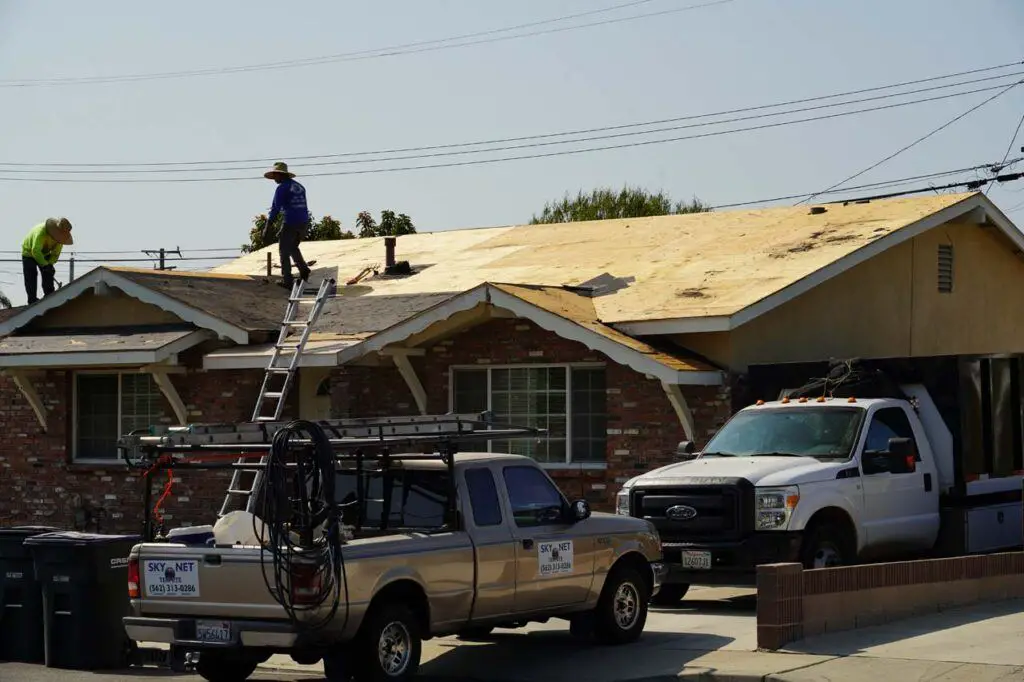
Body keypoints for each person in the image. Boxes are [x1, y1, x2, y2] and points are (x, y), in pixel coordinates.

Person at [263, 161, 312, 289]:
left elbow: (275, 208)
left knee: (283, 251)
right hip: (304, 222)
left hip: (291, 221)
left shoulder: (282, 188)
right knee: (292, 247)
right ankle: (304, 269)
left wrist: (267, 226)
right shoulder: (300, 186)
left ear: (280, 175)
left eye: (275, 175)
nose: (274, 178)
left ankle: (288, 281)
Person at [22, 217, 73, 304]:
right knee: (31, 275)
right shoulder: (41, 232)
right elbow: (35, 251)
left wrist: (49, 264)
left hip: (45, 254)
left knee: (48, 273)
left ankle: (49, 296)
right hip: (29, 253)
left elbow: (55, 255)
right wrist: (45, 265)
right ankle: (32, 300)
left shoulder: (60, 240)